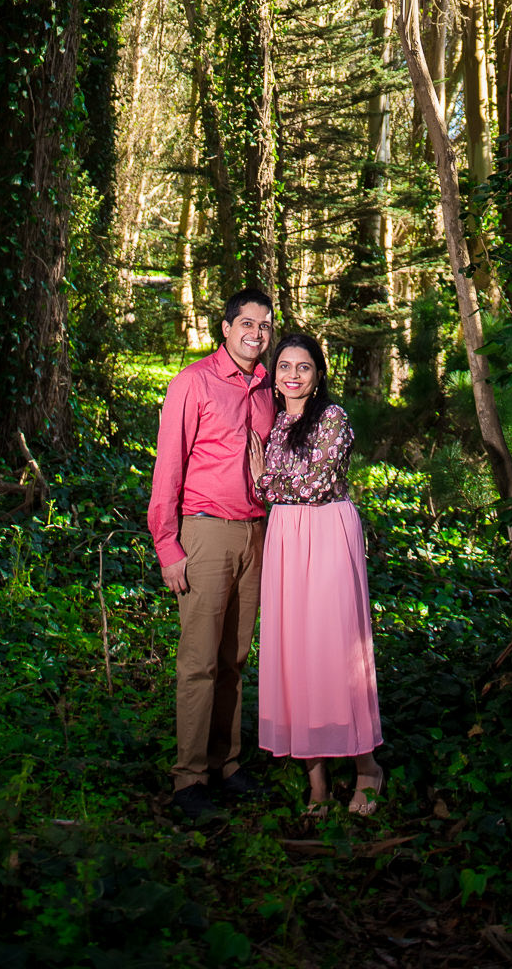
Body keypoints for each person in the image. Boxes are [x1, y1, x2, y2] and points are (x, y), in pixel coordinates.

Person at [148, 286, 275, 820]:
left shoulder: (269, 389)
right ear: (225, 328)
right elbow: (168, 469)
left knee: (235, 659)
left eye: (265, 326)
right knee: (199, 661)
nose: (257, 334)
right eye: (247, 323)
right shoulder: (192, 383)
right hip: (204, 532)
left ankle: (226, 764)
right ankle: (189, 778)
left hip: (256, 535)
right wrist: (167, 545)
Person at [248, 330, 384, 814]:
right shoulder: (274, 423)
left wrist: (269, 480)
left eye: (303, 367)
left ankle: (367, 766)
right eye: (284, 366)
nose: (293, 375)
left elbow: (316, 485)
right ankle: (318, 783)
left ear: (319, 373)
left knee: (334, 646)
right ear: (274, 374)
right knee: (295, 652)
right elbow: (274, 488)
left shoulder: (333, 418)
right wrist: (274, 485)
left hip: (327, 535)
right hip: (285, 540)